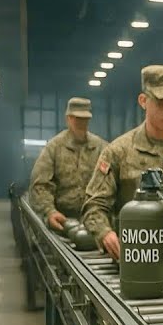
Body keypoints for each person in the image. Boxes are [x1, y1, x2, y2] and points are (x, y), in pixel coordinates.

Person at [82, 65, 163, 260]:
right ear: (143, 101)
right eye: (162, 101)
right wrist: (105, 233)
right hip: (137, 261)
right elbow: (94, 205)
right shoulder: (119, 152)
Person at [28, 97, 107, 231]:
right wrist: (49, 212)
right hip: (62, 220)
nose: (82, 123)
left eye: (85, 119)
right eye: (78, 119)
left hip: (95, 219)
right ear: (68, 118)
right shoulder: (54, 147)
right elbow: (40, 185)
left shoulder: (101, 148)